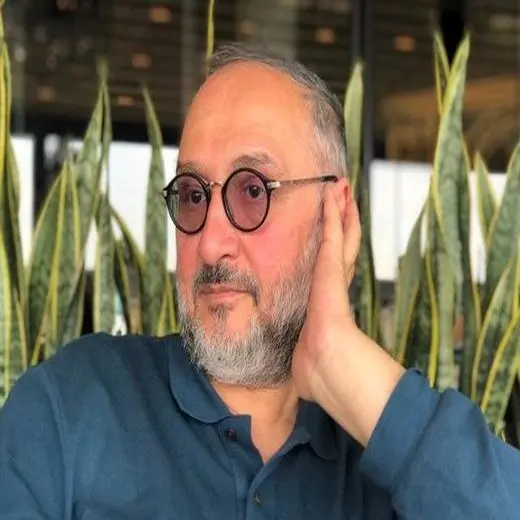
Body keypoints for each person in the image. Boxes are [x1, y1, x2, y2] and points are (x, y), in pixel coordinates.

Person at [1, 43, 520, 520]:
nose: (210, 243)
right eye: (193, 195)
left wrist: (339, 355)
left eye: (253, 190)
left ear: (335, 215)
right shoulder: (69, 410)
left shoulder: (391, 469)